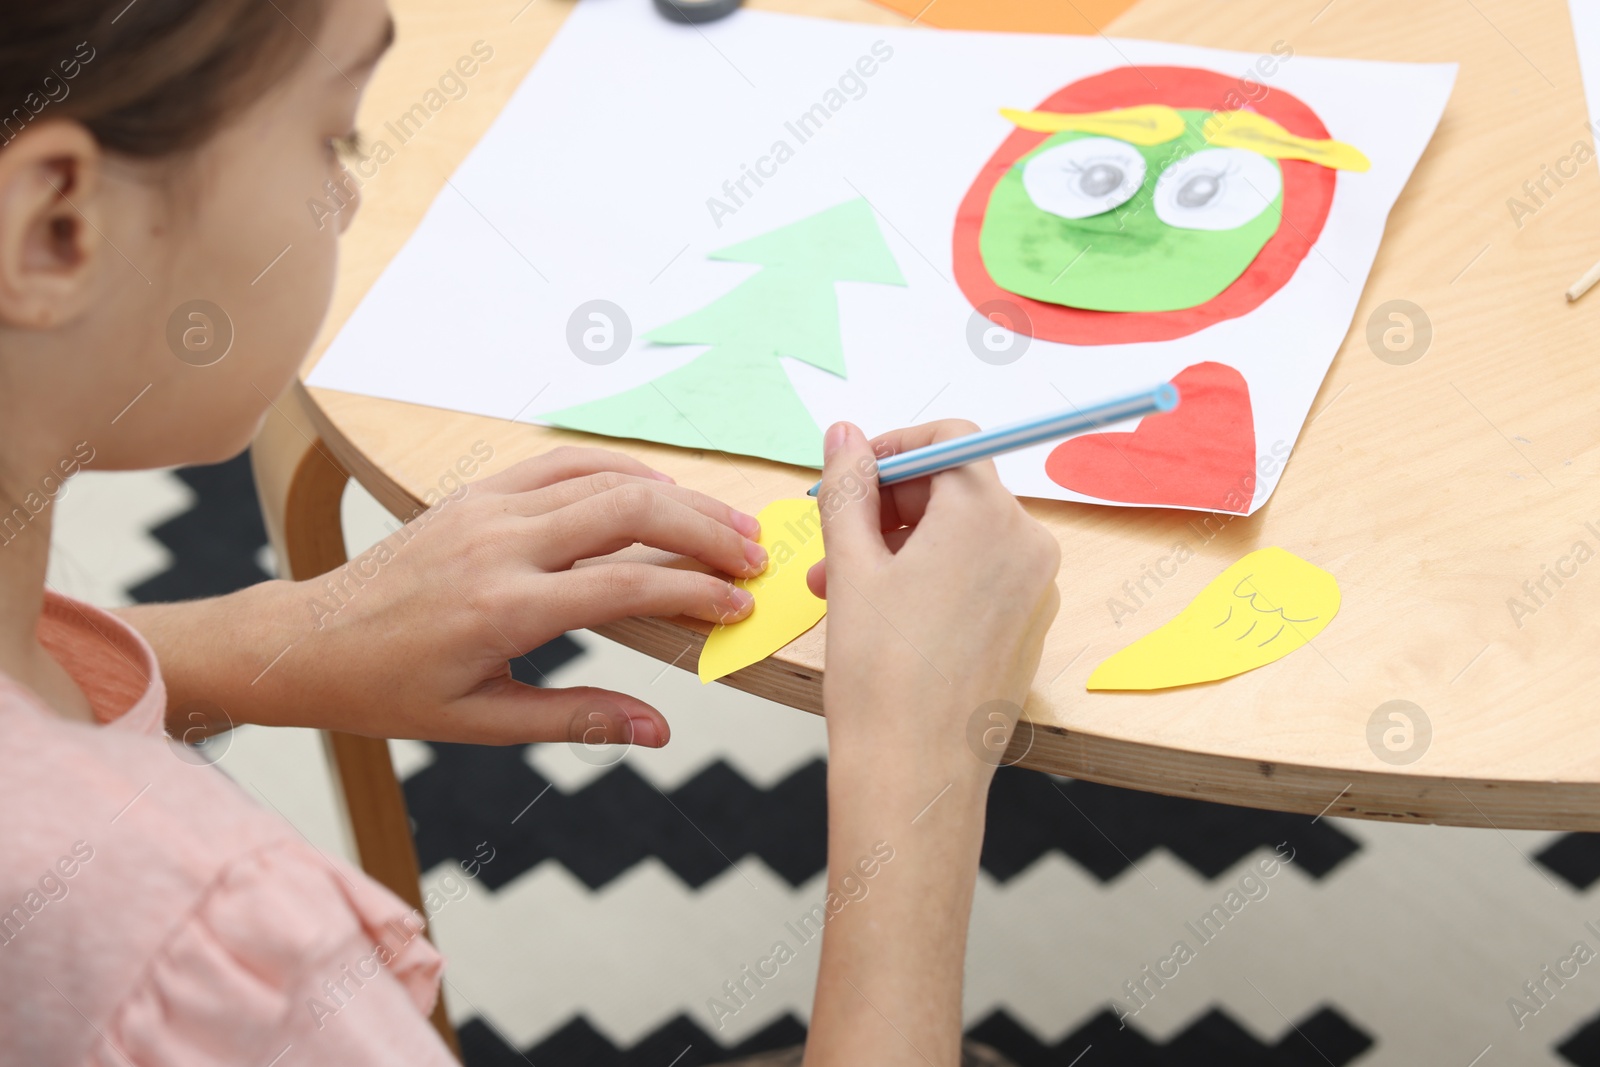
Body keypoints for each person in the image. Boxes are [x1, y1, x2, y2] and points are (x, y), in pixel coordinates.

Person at [0, 0, 1061, 1063]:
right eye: (332, 137)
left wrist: (261, 643)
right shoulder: (206, 962)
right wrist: (917, 764)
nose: (349, 191)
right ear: (57, 226)